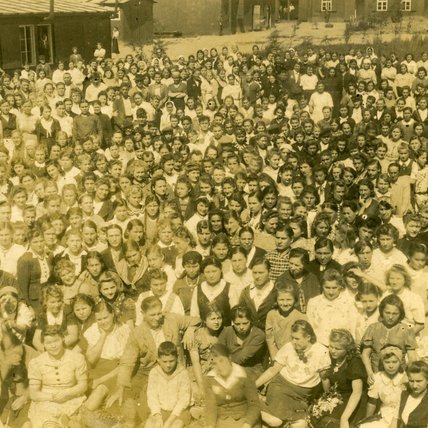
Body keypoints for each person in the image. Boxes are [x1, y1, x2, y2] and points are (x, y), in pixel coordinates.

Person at [256, 320, 330, 427]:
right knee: (275, 421)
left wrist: (327, 397)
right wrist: (254, 386)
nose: (294, 342)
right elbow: (273, 370)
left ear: (308, 337)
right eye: (292, 338)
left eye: (297, 338)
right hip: (281, 388)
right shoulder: (288, 348)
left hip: (302, 396)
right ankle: (253, 404)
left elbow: (324, 378)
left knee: (300, 425)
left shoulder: (321, 351)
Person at [27, 325, 88, 428]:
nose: (53, 346)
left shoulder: (76, 358)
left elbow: (83, 385)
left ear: (63, 339)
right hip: (46, 402)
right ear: (43, 344)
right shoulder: (36, 363)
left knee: (75, 424)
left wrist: (67, 393)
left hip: (72, 401)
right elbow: (33, 393)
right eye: (48, 343)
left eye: (56, 341)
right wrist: (52, 397)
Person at [314, 329, 366, 428]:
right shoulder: (329, 357)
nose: (332, 351)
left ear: (347, 349)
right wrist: (324, 378)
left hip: (352, 400)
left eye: (337, 349)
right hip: (336, 397)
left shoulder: (354, 362)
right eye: (331, 346)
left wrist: (344, 418)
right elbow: (328, 390)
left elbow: (357, 392)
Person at [204, 343, 261, 428]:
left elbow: (254, 404)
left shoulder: (243, 374)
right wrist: (210, 425)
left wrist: (247, 424)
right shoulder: (210, 379)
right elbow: (211, 407)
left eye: (221, 360)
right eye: (215, 363)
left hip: (246, 420)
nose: (219, 366)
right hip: (223, 422)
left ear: (229, 358)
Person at [145, 341, 191, 428]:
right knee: (150, 425)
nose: (168, 365)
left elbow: (183, 399)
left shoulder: (182, 373)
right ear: (158, 359)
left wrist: (170, 421)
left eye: (171, 361)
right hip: (161, 411)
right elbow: (152, 397)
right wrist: (158, 417)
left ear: (177, 358)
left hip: (178, 412)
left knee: (175, 426)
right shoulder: (154, 373)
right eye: (165, 361)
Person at [390, 360, 428, 427]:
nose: (414, 385)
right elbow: (395, 419)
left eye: (419, 381)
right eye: (411, 381)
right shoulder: (404, 394)